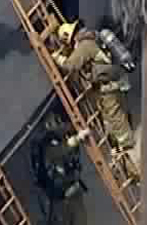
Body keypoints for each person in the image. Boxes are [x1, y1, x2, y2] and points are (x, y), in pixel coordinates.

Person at [52, 21, 137, 180]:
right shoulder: (92, 39)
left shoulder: (85, 46)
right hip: (112, 88)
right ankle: (128, 167)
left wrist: (58, 58)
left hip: (108, 90)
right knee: (113, 127)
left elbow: (71, 65)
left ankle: (133, 164)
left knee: (118, 128)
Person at [32, 111, 99, 225]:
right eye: (59, 123)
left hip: (71, 185)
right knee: (59, 220)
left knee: (79, 214)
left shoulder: (60, 137)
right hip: (58, 190)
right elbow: (60, 152)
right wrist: (77, 138)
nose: (63, 126)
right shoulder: (48, 144)